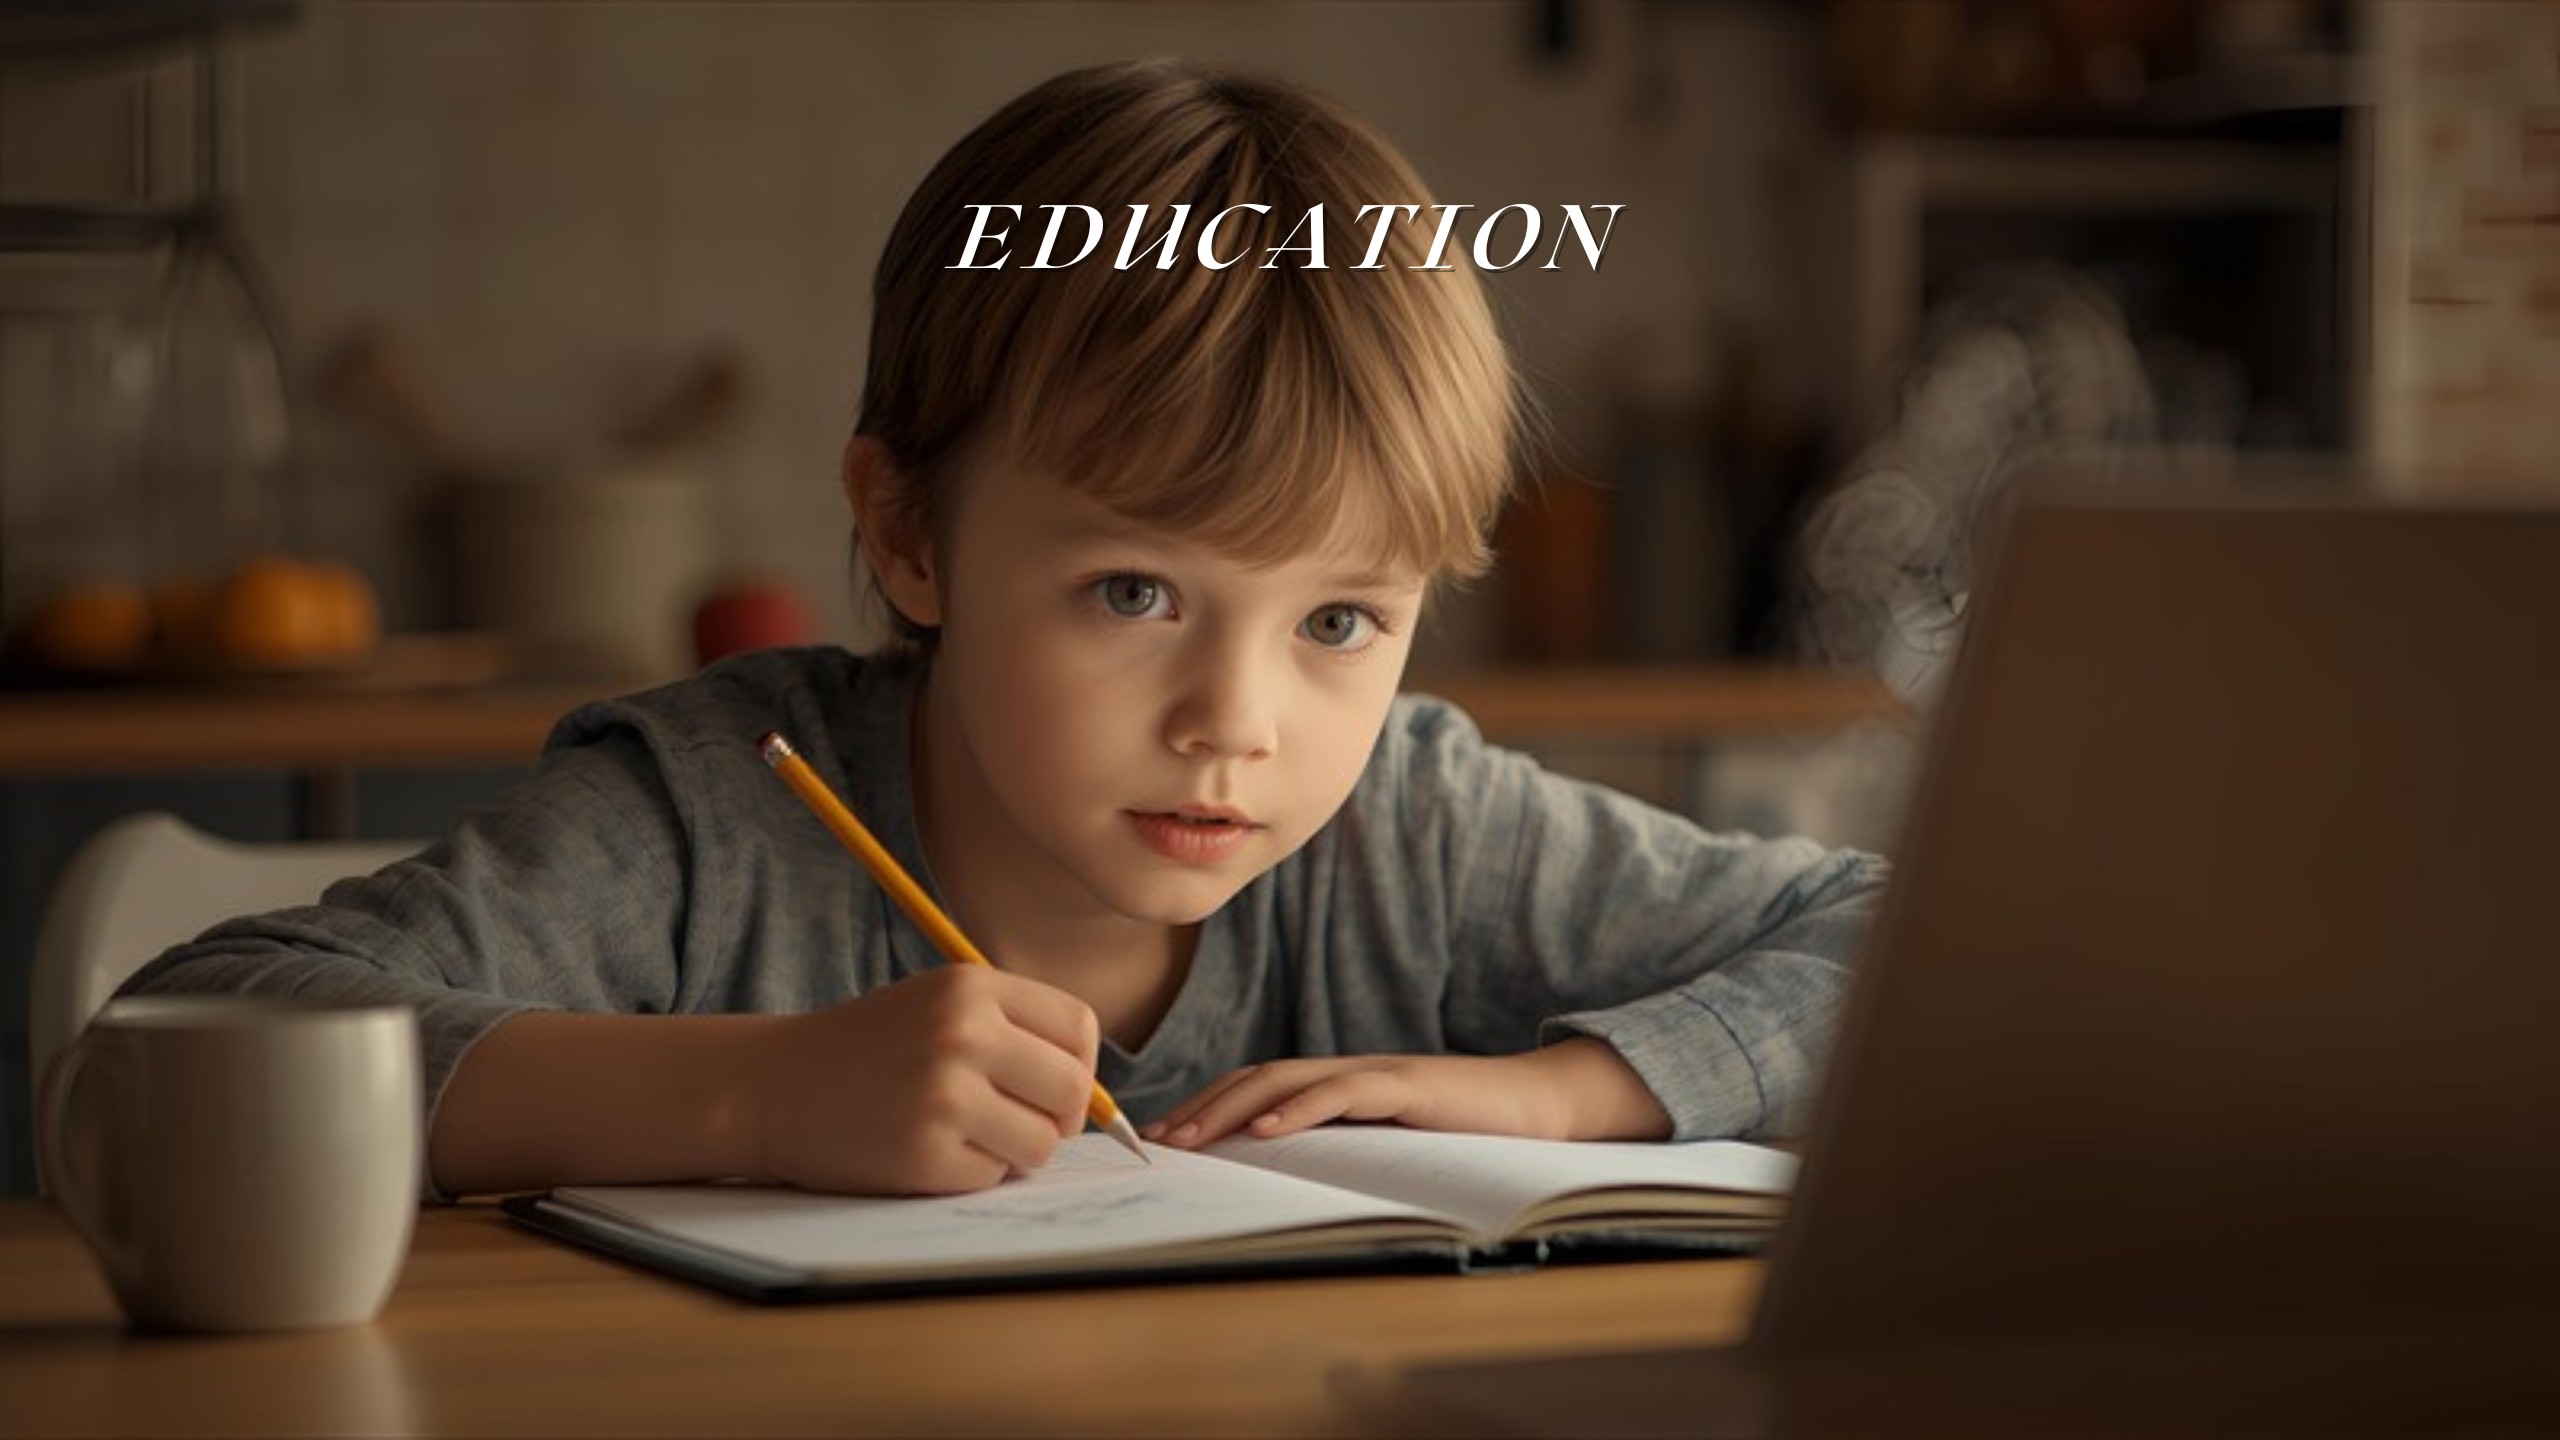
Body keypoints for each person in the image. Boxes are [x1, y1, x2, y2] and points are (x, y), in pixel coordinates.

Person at [123, 59, 1886, 1201]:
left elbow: (1896, 925)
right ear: (908, 536)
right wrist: (744, 1102)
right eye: (1136, 593)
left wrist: (1571, 1096)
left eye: (1343, 617)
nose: (1234, 722)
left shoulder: (1416, 835)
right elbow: (189, 1032)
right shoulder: (712, 818)